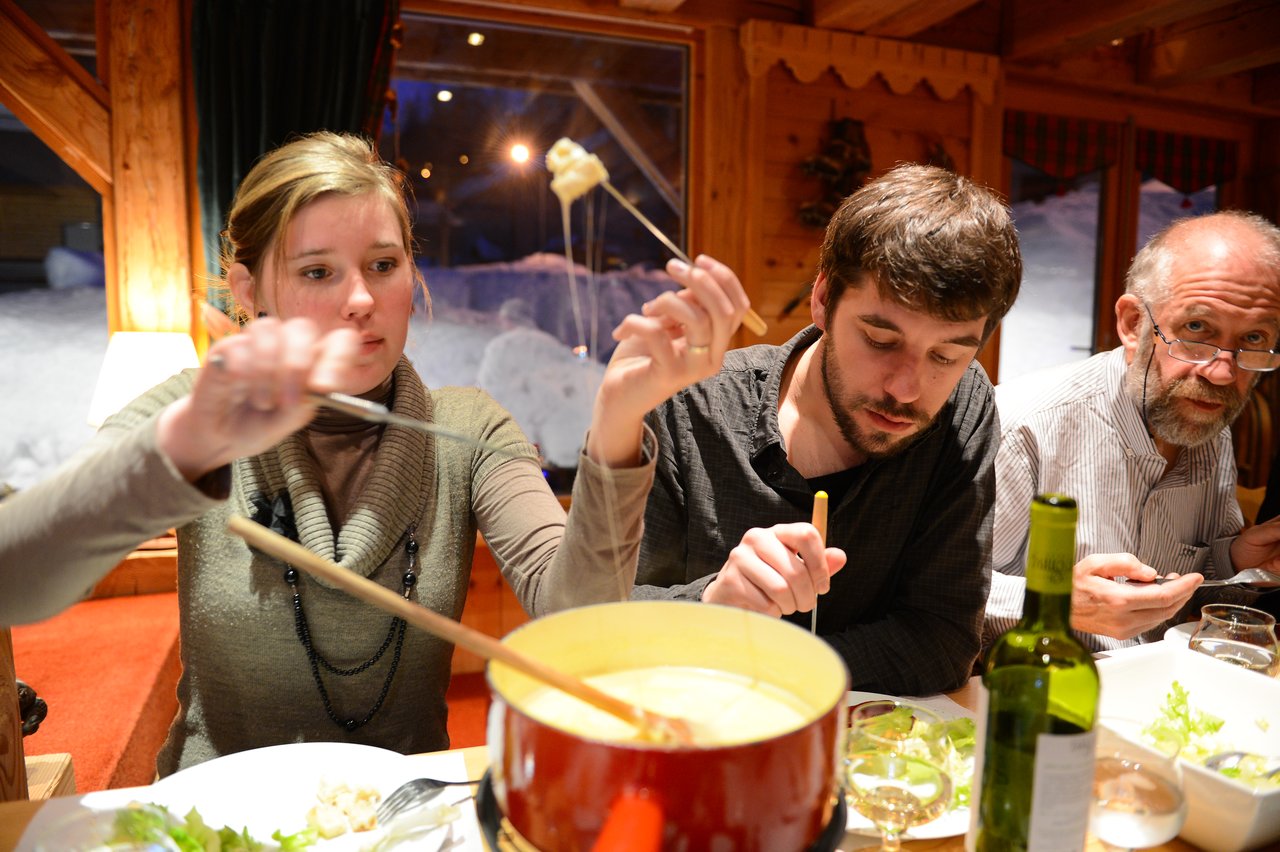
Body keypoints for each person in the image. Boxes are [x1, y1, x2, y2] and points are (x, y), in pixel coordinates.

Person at [0, 132, 750, 775]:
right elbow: (14, 575)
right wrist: (190, 442)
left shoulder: (470, 428)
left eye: (384, 265)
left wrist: (618, 418)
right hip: (213, 823)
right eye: (318, 271)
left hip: (405, 818)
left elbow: (579, 619)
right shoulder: (194, 410)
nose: (361, 297)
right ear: (249, 290)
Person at [632, 164, 1023, 695]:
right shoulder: (692, 407)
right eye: (881, 341)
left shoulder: (963, 404)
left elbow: (943, 639)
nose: (907, 388)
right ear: (822, 300)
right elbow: (607, 618)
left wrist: (767, 666)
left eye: (946, 355)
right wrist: (711, 604)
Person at [985, 211, 1280, 652]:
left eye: (1253, 339)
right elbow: (940, 590)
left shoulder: (1207, 426)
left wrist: (1237, 557)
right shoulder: (1024, 424)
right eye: (1196, 329)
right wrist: (1056, 601)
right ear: (1132, 324)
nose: (1222, 372)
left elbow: (1193, 580)